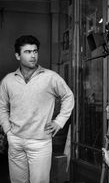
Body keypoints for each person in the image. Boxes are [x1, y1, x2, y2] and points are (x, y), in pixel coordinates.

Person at [0, 35, 75, 183]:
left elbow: (68, 97)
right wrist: (7, 129)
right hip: (15, 140)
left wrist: (59, 122)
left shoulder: (51, 77)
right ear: (17, 55)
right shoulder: (8, 80)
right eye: (27, 52)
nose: (33, 55)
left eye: (35, 51)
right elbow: (2, 106)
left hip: (40, 142)